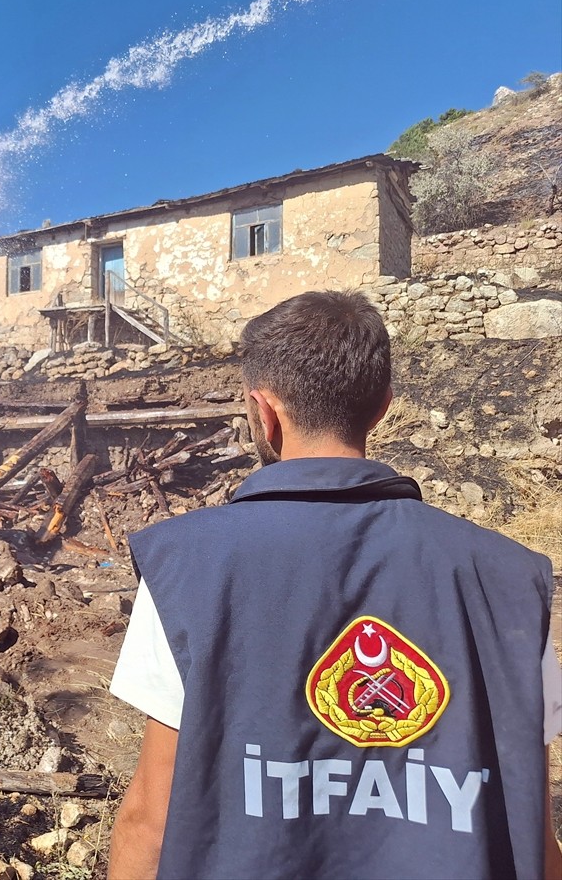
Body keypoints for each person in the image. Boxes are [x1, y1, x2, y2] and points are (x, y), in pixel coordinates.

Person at [107, 291, 562, 879]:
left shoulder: (185, 566)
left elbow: (151, 819)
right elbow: (532, 828)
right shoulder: (509, 579)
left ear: (263, 413)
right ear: (382, 409)